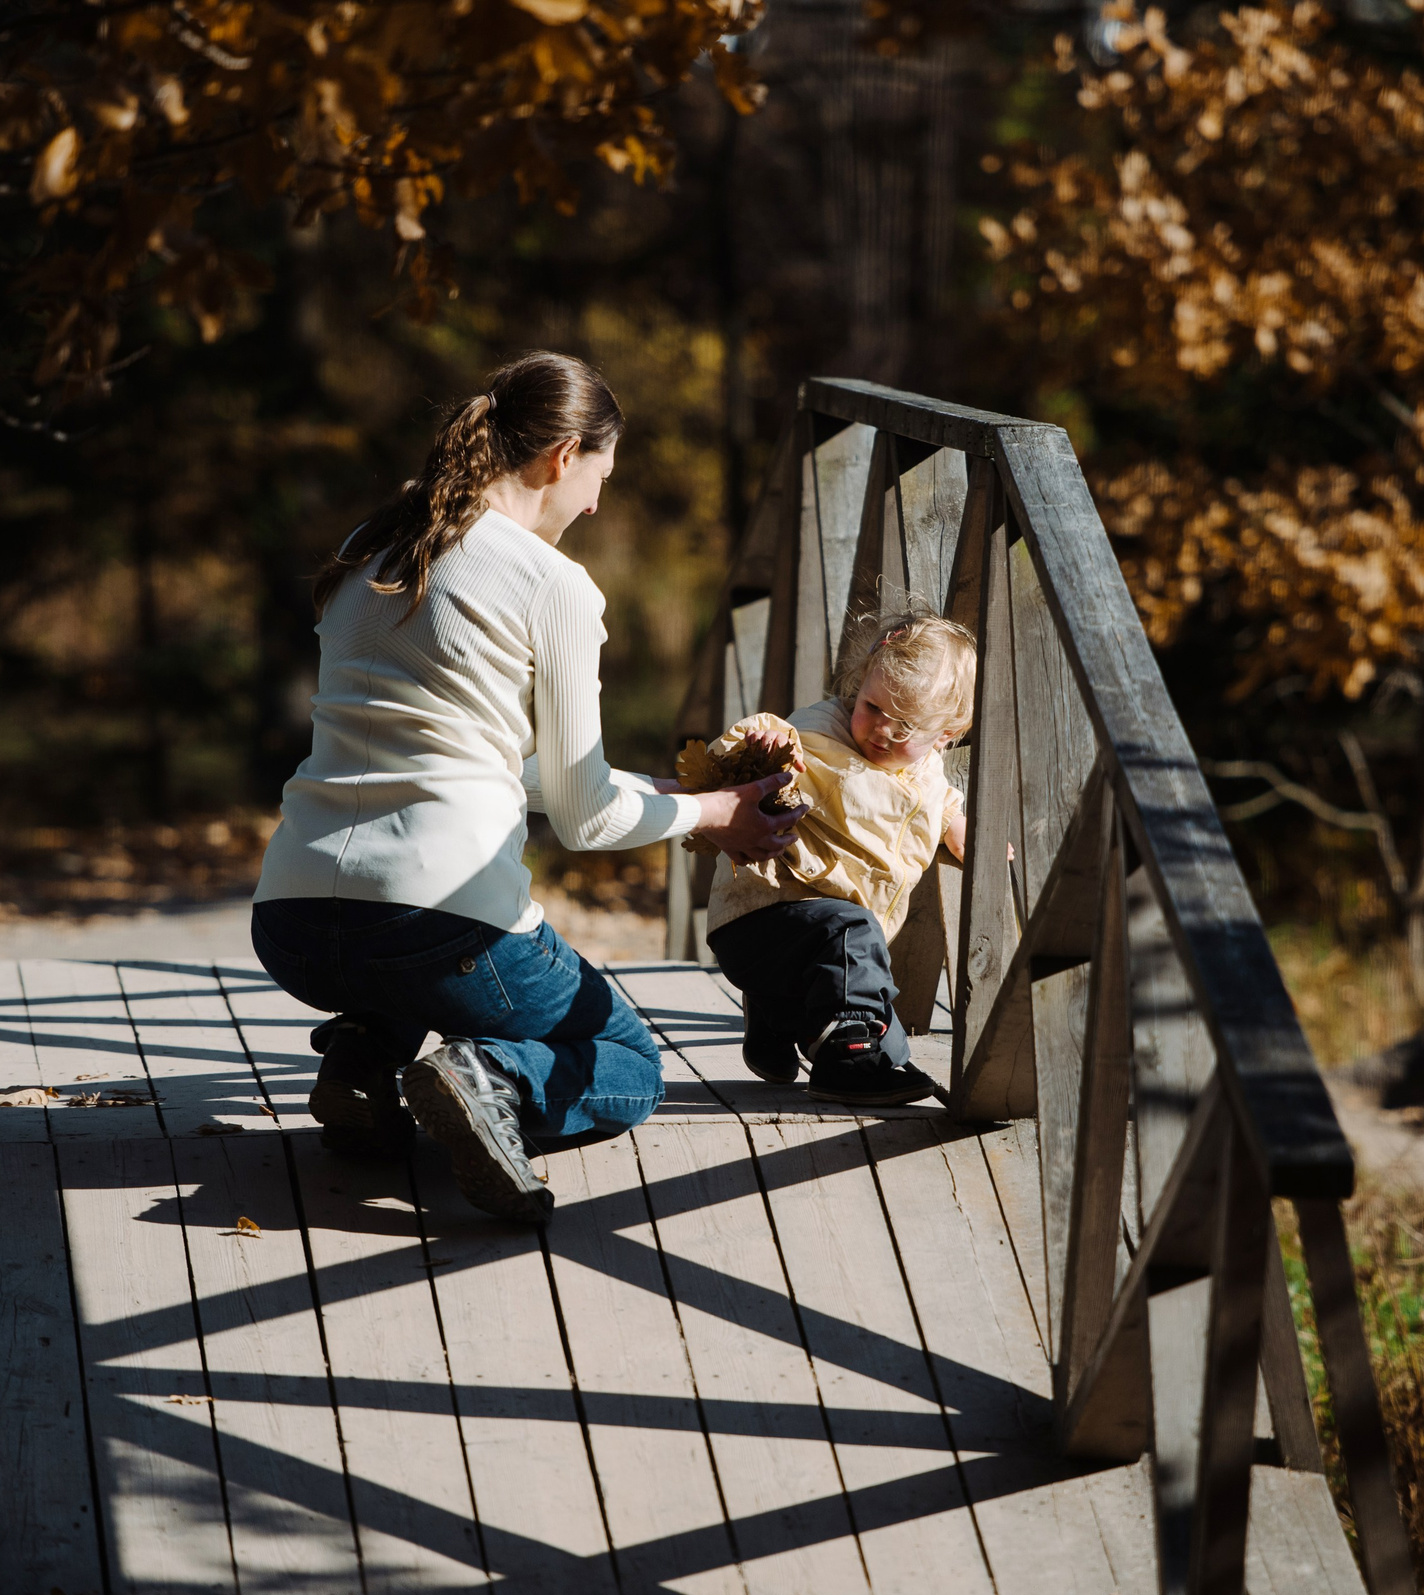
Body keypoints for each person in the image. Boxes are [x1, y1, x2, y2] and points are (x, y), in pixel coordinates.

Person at [250, 352, 806, 1223]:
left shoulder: (380, 540)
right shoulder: (551, 583)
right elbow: (586, 821)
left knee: (398, 955)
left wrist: (660, 788)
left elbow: (477, 759)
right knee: (624, 1060)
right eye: (601, 478)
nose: (594, 504)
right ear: (563, 455)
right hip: (437, 924)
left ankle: (362, 1055)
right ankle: (486, 1077)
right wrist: (714, 815)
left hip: (290, 922)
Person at [703, 607, 973, 1105]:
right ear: (861, 681)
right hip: (759, 919)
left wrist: (956, 824)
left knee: (889, 1044)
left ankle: (774, 1015)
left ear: (945, 735)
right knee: (853, 934)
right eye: (872, 708)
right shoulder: (819, 736)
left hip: (813, 947)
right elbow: (759, 736)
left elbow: (936, 797)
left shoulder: (927, 771)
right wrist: (759, 746)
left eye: (905, 726)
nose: (881, 731)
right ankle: (843, 1068)